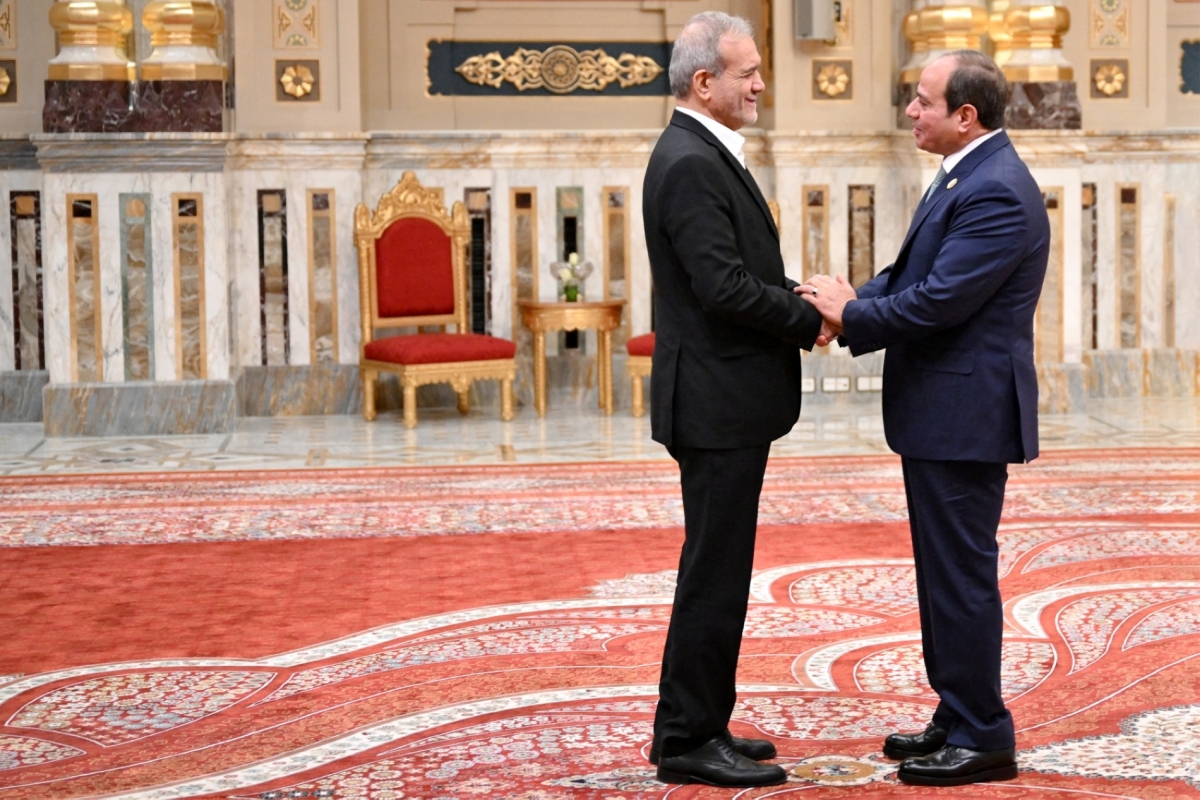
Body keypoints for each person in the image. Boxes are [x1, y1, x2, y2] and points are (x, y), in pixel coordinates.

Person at [798, 50, 1048, 787]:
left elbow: (939, 303)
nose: (910, 110)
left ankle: (983, 734)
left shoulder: (996, 190)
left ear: (964, 115)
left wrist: (851, 316)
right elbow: (911, 277)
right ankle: (956, 712)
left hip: (964, 415)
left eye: (922, 100)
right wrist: (853, 303)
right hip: (942, 412)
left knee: (962, 577)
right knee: (943, 576)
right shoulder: (968, 176)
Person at [641, 10, 827, 789]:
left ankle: (706, 721)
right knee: (713, 574)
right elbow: (720, 289)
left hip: (726, 400)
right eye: (747, 73)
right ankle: (686, 737)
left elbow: (735, 269)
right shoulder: (688, 160)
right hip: (715, 404)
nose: (760, 84)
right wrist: (807, 316)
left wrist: (791, 294)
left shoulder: (705, 151)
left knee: (720, 567)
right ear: (704, 82)